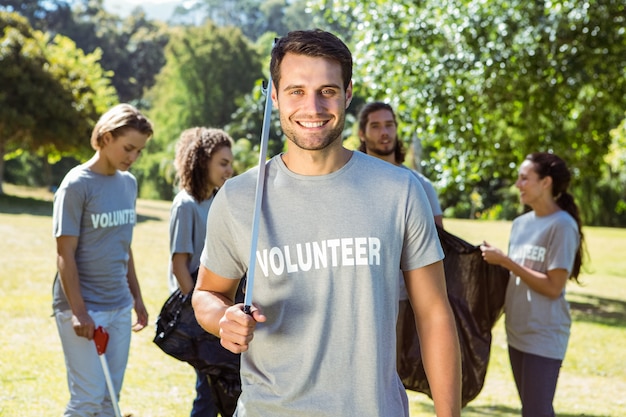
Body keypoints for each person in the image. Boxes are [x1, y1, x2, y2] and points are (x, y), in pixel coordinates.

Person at [192, 29, 461, 417]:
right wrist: (223, 319)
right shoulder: (239, 197)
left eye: (327, 91)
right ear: (275, 96)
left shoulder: (399, 190)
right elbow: (207, 293)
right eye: (296, 91)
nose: (313, 107)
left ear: (348, 93)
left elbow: (434, 312)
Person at [52, 103, 153, 416]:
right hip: (83, 310)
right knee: (87, 399)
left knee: (110, 398)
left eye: (138, 151)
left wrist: (136, 298)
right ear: (106, 137)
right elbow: (64, 253)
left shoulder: (128, 184)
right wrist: (80, 313)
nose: (132, 157)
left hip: (119, 306)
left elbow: (124, 245)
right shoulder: (76, 185)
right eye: (128, 148)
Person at [480, 152, 585, 417]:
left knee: (537, 411)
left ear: (546, 182)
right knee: (530, 410)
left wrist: (506, 261)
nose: (518, 185)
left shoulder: (562, 225)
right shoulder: (520, 224)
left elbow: (553, 287)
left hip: (544, 334)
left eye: (524, 178)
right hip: (517, 330)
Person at [168, 127, 236, 416]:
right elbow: (179, 264)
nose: (229, 170)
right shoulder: (186, 205)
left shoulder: (219, 200)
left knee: (223, 386)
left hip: (219, 304)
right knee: (207, 390)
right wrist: (196, 314)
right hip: (198, 307)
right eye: (223, 163)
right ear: (202, 161)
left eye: (231, 163)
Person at [357, 101, 444, 228]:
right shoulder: (352, 182)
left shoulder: (420, 185)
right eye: (375, 126)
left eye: (389, 125)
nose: (384, 132)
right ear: (362, 134)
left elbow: (441, 242)